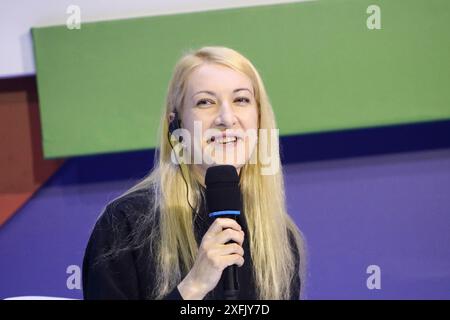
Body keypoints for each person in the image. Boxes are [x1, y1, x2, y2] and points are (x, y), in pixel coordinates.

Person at [82, 46, 306, 300]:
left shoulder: (277, 235)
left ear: (259, 117)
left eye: (241, 100)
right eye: (205, 102)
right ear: (176, 124)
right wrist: (194, 286)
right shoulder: (125, 225)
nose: (226, 118)